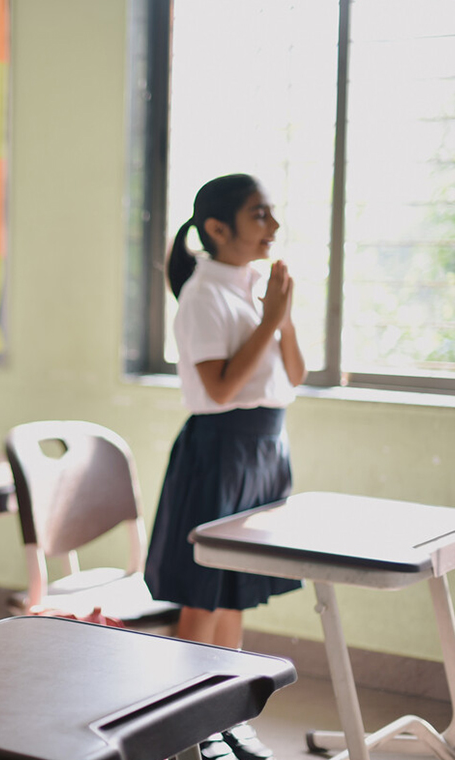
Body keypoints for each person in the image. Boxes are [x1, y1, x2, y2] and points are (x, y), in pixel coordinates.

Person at [144, 173, 307, 760]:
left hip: (263, 448)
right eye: (259, 214)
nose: (273, 225)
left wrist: (280, 315)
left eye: (271, 213)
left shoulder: (255, 286)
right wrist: (270, 319)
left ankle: (228, 714)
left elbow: (296, 372)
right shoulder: (202, 296)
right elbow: (220, 388)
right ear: (218, 228)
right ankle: (190, 725)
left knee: (235, 592)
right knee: (203, 594)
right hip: (219, 450)